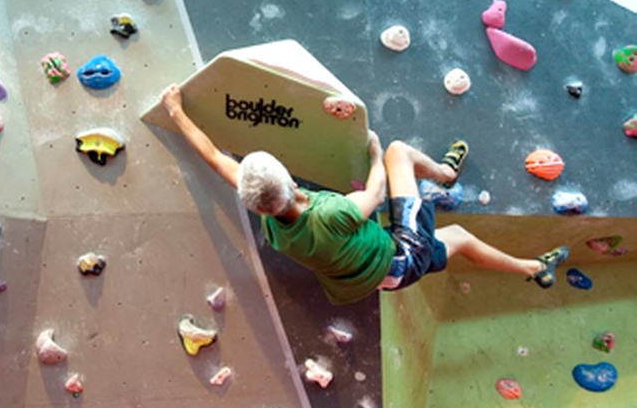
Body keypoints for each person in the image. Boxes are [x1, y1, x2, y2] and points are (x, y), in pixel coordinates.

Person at [159, 83, 569, 304]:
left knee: (458, 237)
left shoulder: (274, 228)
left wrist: (176, 111)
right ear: (291, 181)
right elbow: (376, 189)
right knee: (398, 152)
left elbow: (215, 157)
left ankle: (534, 269)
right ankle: (444, 174)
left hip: (379, 280)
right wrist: (374, 151)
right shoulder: (335, 211)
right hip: (401, 254)